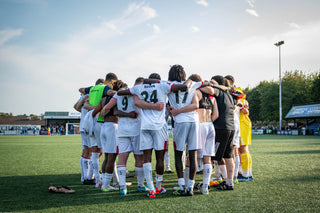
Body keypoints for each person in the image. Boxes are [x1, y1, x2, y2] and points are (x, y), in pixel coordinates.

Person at [117, 75, 188, 198]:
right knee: (160, 158)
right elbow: (184, 86)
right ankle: (158, 187)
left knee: (146, 158)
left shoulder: (138, 88)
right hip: (159, 126)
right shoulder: (163, 85)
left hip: (145, 126)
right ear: (157, 79)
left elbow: (121, 92)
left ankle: (151, 190)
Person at [166, 66, 204, 196]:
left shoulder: (168, 84)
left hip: (180, 122)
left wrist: (176, 111)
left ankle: (182, 186)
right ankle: (190, 187)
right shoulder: (192, 84)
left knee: (178, 154)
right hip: (194, 120)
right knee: (192, 155)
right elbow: (195, 105)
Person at [79, 73, 118, 188]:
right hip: (101, 121)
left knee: (95, 152)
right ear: (112, 82)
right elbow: (111, 93)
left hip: (91, 121)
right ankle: (108, 181)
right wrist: (121, 92)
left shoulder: (93, 88)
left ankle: (96, 180)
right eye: (114, 84)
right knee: (108, 153)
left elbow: (80, 89)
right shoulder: (106, 88)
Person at [200, 76, 235, 190]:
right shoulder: (229, 94)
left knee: (210, 156)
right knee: (228, 156)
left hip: (221, 128)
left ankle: (207, 182)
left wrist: (199, 86)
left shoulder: (219, 91)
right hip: (230, 127)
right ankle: (229, 182)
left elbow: (209, 90)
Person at [91, 80, 126, 192]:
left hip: (103, 126)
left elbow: (93, 112)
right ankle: (106, 185)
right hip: (113, 127)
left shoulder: (103, 99)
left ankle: (104, 183)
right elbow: (116, 112)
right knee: (112, 158)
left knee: (107, 157)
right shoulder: (117, 98)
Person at [237, 88, 253, 182]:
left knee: (243, 149)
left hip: (243, 125)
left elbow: (246, 112)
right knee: (240, 150)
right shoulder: (242, 100)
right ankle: (247, 173)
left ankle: (245, 174)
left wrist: (242, 106)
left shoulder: (242, 101)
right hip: (242, 125)